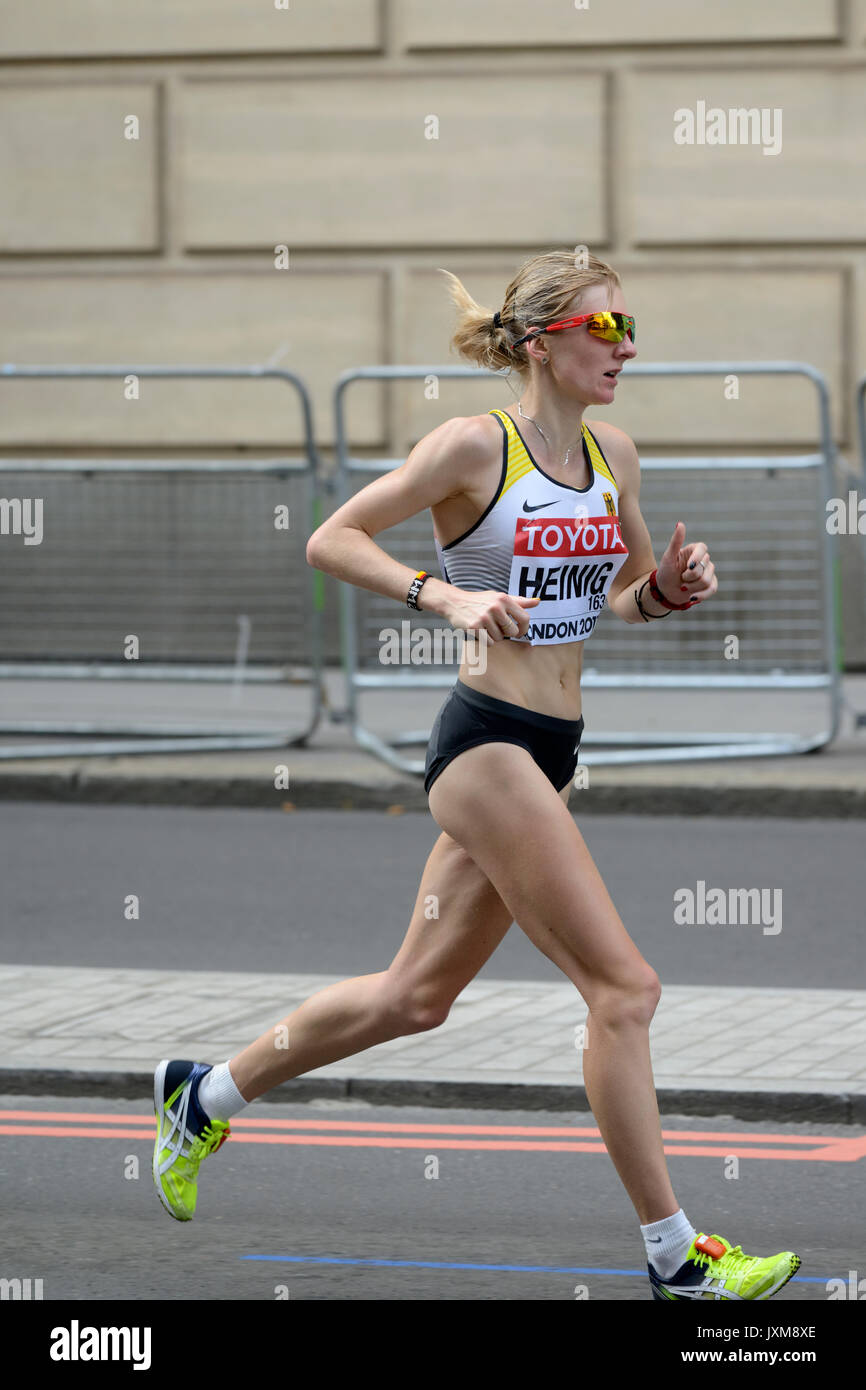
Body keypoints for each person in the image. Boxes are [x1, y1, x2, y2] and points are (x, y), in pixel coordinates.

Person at [153, 248, 800, 1301]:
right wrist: (442, 597)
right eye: (605, 330)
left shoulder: (614, 457)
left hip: (550, 746)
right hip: (485, 742)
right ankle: (675, 1255)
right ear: (545, 342)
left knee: (414, 999)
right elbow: (333, 537)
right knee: (623, 989)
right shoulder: (470, 447)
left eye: (630, 328)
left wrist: (670, 591)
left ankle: (204, 1093)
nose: (625, 348)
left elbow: (614, 599)